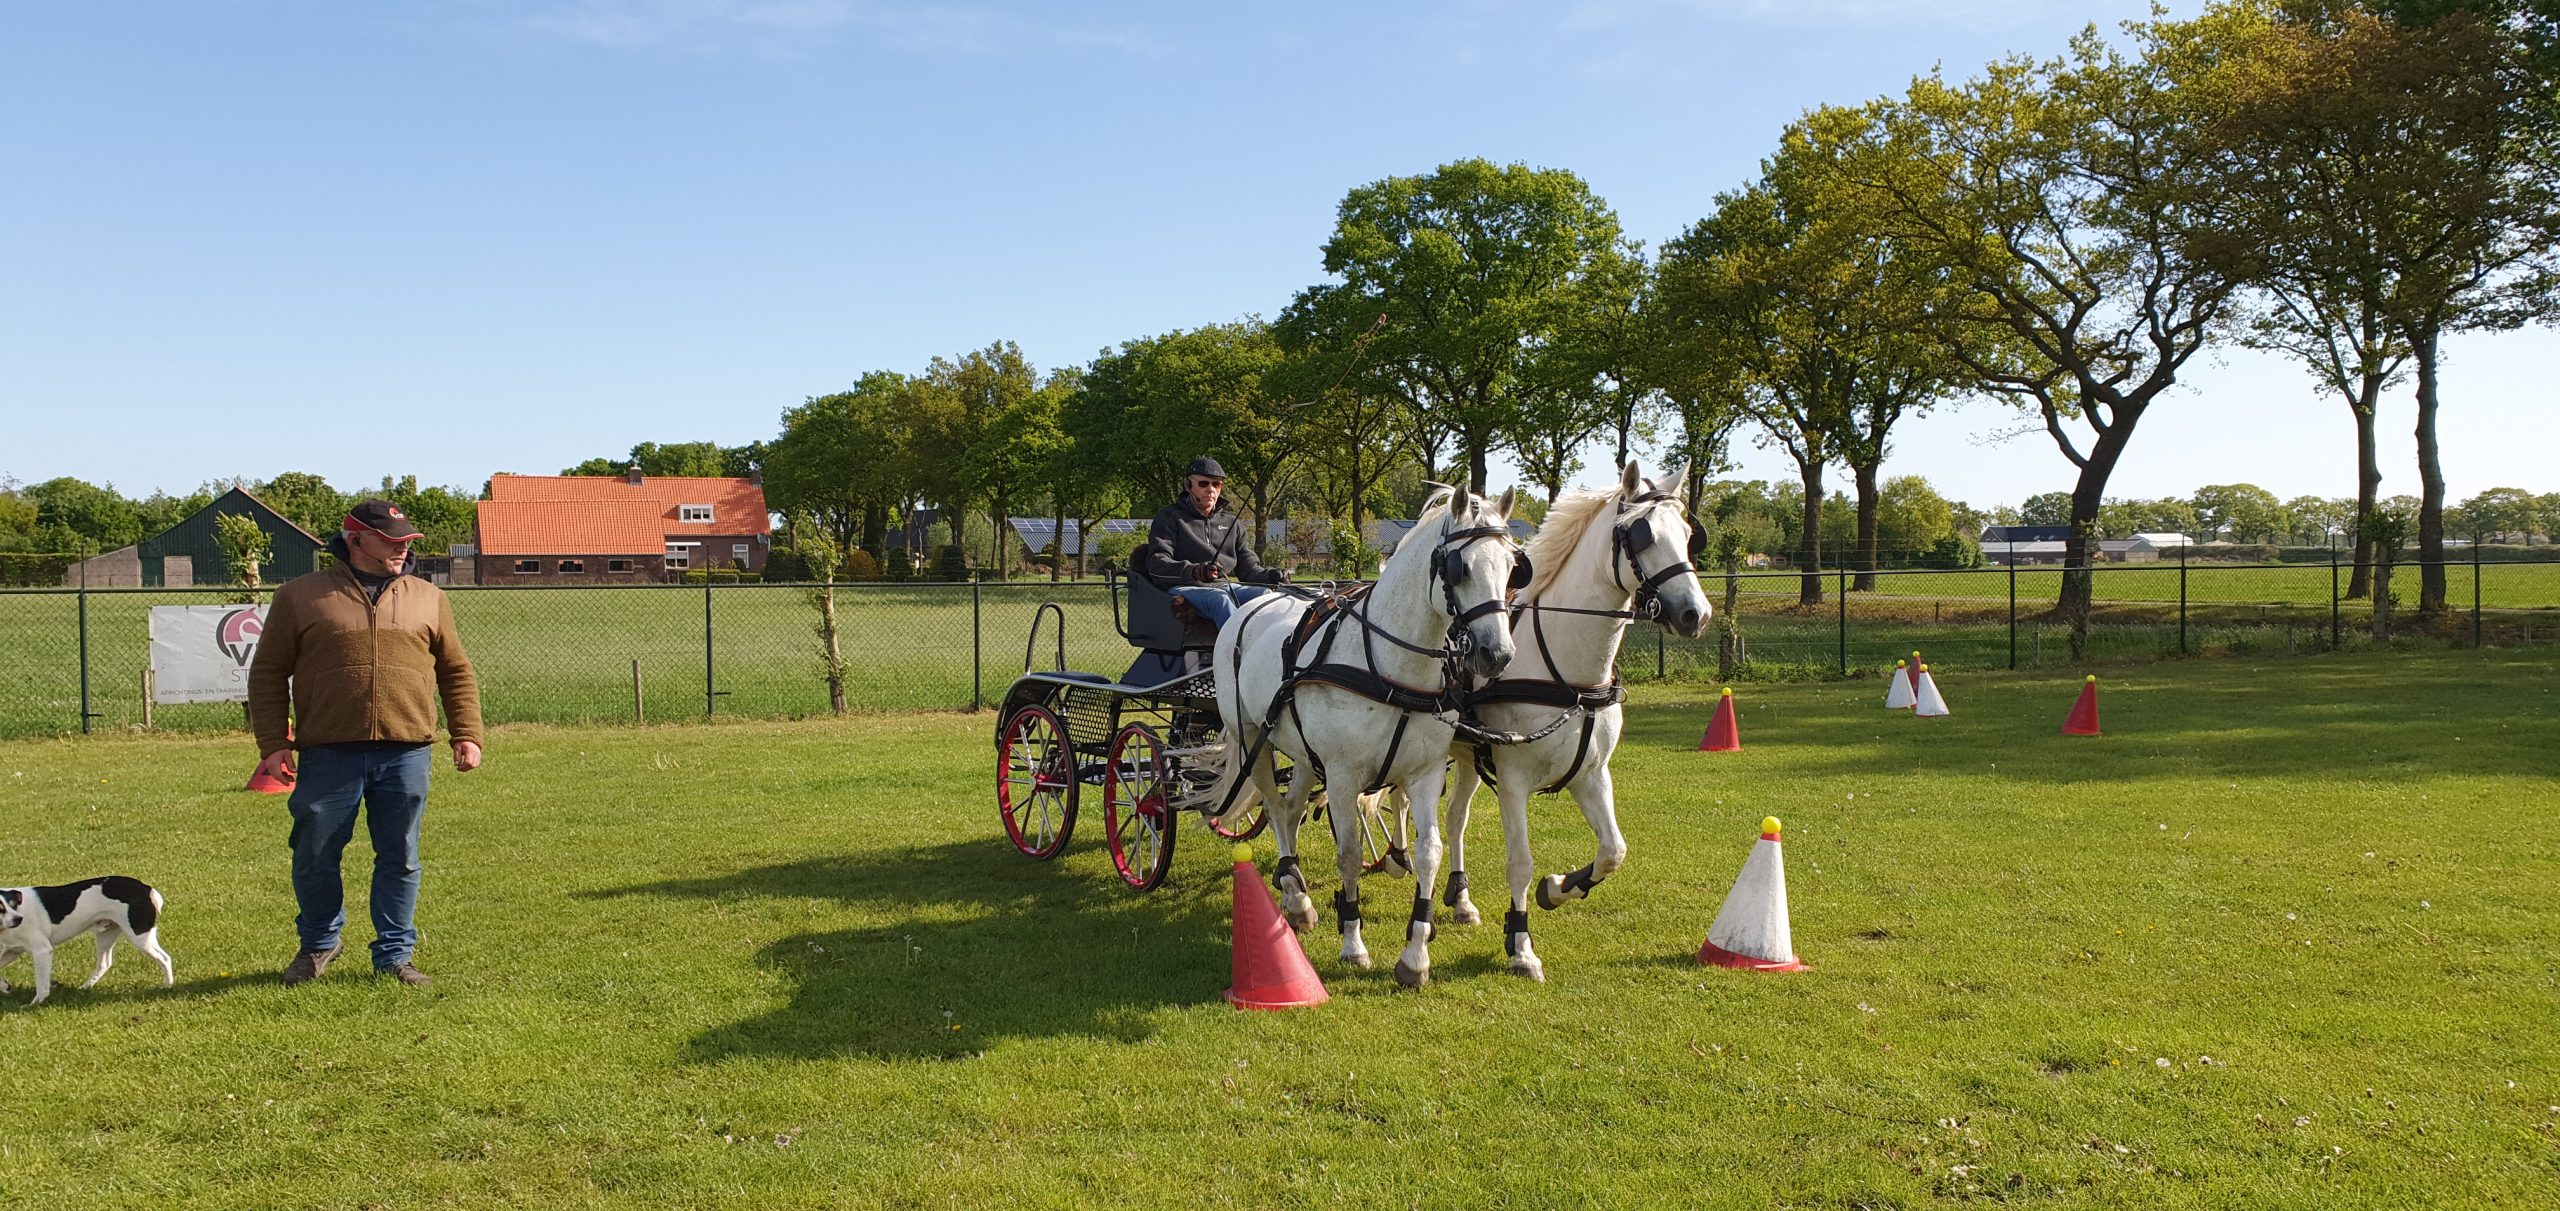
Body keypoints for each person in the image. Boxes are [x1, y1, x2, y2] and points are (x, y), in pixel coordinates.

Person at [248, 500, 483, 988]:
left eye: (406, 542)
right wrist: (273, 742)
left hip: (406, 749)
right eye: (391, 541)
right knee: (314, 853)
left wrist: (466, 733)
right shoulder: (300, 596)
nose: (402, 549)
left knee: (400, 856)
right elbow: (268, 673)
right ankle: (318, 944)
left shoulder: (428, 597)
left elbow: (455, 670)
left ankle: (395, 956)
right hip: (327, 751)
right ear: (355, 540)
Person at [1141, 456, 1288, 627]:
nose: (1211, 490)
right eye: (1203, 484)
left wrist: (1270, 575)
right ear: (1188, 485)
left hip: (1223, 587)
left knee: (1265, 595)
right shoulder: (1170, 518)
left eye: (1216, 484)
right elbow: (1157, 563)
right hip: (1184, 587)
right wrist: (1195, 571)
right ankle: (1236, 652)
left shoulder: (1231, 523)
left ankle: (1267, 650)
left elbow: (1248, 568)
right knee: (1220, 600)